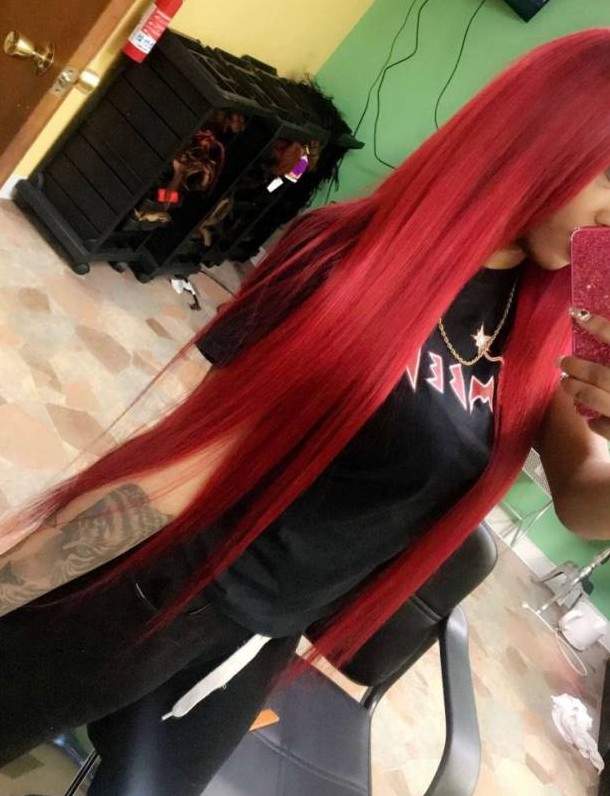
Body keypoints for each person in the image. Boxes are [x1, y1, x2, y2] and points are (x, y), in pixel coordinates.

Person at [2, 28, 610, 795]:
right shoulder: (344, 257)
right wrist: (17, 579)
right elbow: (189, 466)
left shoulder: (549, 328)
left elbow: (585, 499)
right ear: (548, 136)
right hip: (170, 584)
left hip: (260, 635)